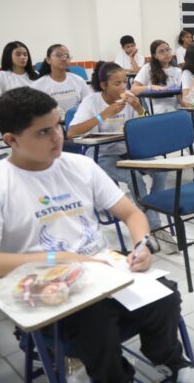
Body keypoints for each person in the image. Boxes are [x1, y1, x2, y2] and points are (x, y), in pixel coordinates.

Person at [0, 87, 194, 383]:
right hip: (48, 283)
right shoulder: (2, 183)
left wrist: (142, 244)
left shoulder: (78, 165)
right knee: (96, 324)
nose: (57, 137)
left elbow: (131, 213)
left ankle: (169, 359)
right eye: (43, 132)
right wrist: (58, 258)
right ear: (12, 140)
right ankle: (115, 377)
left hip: (102, 268)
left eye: (58, 125)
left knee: (164, 297)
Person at [67, 61, 174, 253]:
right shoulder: (91, 102)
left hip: (129, 151)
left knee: (161, 171)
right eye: (116, 83)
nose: (122, 87)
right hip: (103, 156)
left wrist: (140, 109)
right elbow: (72, 132)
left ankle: (151, 212)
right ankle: (154, 228)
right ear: (103, 85)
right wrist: (103, 115)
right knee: (135, 179)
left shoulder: (129, 99)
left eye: (124, 82)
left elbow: (147, 126)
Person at [32, 44, 90, 119]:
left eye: (66, 56)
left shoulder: (79, 80)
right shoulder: (38, 85)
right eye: (58, 55)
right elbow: (35, 112)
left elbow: (88, 104)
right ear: (48, 60)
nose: (63, 58)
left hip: (77, 122)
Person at [131, 40, 183, 114]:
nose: (166, 53)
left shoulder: (177, 70)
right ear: (155, 55)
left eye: (168, 50)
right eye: (161, 51)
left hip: (175, 107)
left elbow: (179, 97)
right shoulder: (148, 68)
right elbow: (134, 89)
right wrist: (150, 87)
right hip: (157, 108)